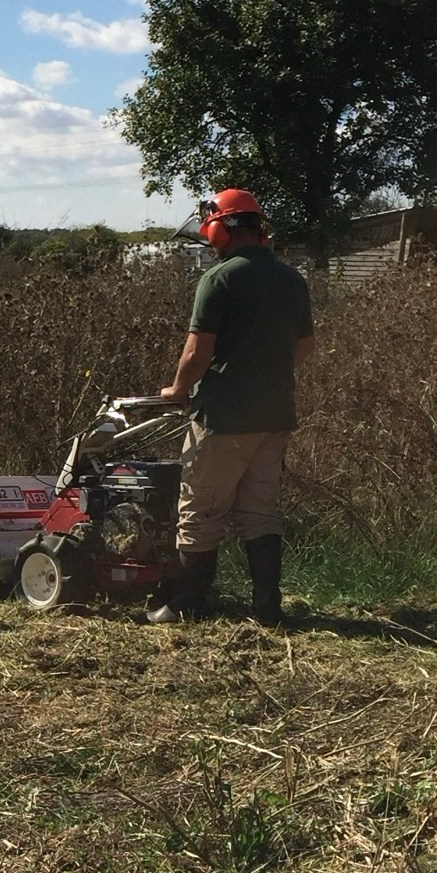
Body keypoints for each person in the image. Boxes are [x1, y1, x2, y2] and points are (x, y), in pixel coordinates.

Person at [149, 188, 315, 627]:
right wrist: (266, 374)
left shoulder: (219, 279)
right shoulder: (291, 279)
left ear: (221, 227)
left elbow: (197, 352)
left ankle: (186, 604)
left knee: (200, 509)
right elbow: (304, 345)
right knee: (261, 511)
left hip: (223, 417)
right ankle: (267, 608)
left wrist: (178, 389)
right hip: (275, 415)